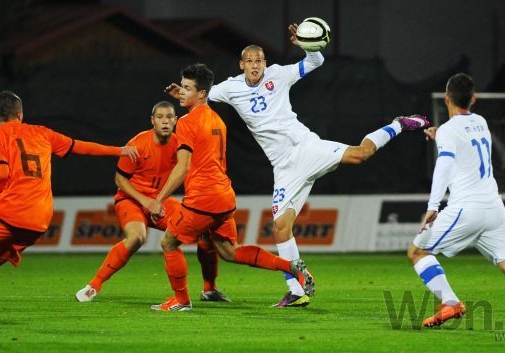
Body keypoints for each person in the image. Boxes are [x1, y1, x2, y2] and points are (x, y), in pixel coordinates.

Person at [165, 24, 429, 307]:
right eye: (250, 61)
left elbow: (316, 61)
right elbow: (201, 94)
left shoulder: (279, 74)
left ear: (265, 62)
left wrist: (306, 44)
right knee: (280, 227)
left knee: (360, 154)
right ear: (241, 64)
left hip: (306, 148)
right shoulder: (230, 88)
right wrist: (181, 93)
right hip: (284, 168)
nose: (256, 65)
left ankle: (398, 125)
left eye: (259, 60)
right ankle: (297, 289)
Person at [0, 90, 139, 327]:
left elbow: (0, 172)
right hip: (40, 218)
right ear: (20, 113)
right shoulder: (42, 133)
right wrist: (118, 150)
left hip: (11, 209)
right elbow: (80, 146)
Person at [407, 73, 505, 336]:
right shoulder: (481, 122)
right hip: (494, 211)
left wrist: (433, 206)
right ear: (473, 99)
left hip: (466, 209)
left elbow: (445, 164)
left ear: (446, 98)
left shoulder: (449, 131)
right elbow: (465, 145)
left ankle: (450, 303)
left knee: (417, 253)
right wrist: (441, 136)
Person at [148, 63, 313, 311]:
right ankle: (289, 266)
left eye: (186, 88)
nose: (181, 91)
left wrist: (159, 199)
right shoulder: (216, 119)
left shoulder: (186, 122)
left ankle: (181, 301)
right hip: (224, 196)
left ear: (201, 93)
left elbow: (182, 167)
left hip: (202, 198)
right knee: (229, 251)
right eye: (181, 86)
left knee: (168, 243)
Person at [75, 101, 229, 303]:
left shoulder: (179, 143)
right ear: (152, 120)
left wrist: (159, 201)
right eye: (160, 117)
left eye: (169, 117)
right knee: (137, 237)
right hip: (131, 200)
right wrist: (147, 202)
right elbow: (119, 180)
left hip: (160, 201)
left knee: (205, 233)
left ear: (175, 121)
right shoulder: (138, 143)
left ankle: (209, 290)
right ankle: (94, 285)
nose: (165, 121)